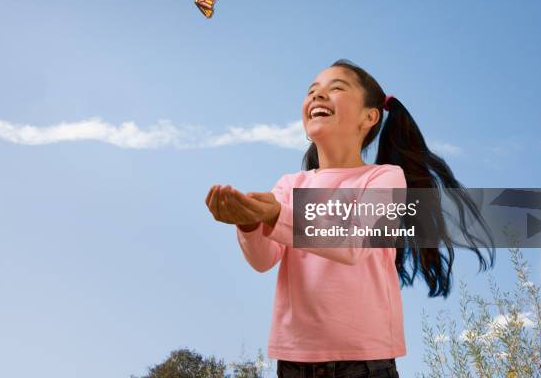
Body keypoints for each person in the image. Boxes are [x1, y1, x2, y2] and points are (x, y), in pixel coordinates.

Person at [205, 59, 495, 378]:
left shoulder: (385, 178)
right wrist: (247, 223)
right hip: (295, 359)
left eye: (336, 88)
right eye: (311, 91)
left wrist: (275, 214)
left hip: (365, 361)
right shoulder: (290, 185)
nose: (317, 95)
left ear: (369, 117)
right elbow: (263, 260)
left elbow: (353, 242)